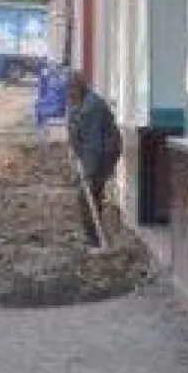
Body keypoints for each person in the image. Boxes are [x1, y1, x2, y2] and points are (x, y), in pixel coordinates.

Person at [66, 70, 122, 252]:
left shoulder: (93, 107)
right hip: (92, 152)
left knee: (86, 195)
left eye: (73, 89)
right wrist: (76, 153)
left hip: (104, 153)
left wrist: (88, 173)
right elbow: (75, 131)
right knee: (90, 194)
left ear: (81, 88)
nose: (69, 93)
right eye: (68, 89)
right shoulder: (77, 104)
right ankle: (97, 237)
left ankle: (97, 242)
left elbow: (94, 144)